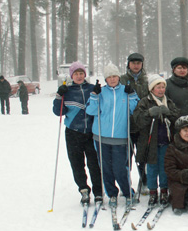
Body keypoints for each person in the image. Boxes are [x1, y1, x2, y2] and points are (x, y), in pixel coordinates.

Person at [86, 63, 139, 208]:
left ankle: (128, 192)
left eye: (115, 76)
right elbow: (90, 111)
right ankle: (112, 194)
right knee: (106, 168)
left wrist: (133, 94)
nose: (113, 79)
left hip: (120, 136)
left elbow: (134, 108)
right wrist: (95, 95)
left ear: (119, 77)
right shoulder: (101, 92)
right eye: (109, 77)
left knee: (120, 168)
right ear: (106, 79)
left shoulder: (125, 91)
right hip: (101, 136)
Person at [53, 61, 102, 205]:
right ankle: (84, 190)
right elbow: (58, 112)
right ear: (71, 75)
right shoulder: (67, 91)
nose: (79, 76)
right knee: (77, 163)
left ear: (85, 75)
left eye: (81, 73)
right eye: (76, 74)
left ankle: (98, 192)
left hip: (91, 132)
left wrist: (99, 92)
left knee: (94, 163)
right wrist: (58, 95)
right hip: (73, 132)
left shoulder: (92, 88)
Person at [133, 74, 179, 206]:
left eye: (163, 87)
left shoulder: (168, 102)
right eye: (158, 87)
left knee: (164, 167)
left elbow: (177, 118)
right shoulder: (144, 102)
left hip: (165, 140)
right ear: (152, 89)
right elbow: (138, 120)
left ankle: (164, 191)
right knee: (152, 168)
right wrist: (148, 113)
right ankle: (153, 192)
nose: (161, 90)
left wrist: (169, 113)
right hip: (150, 142)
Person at [120, 53, 149, 193]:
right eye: (133, 63)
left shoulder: (146, 80)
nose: (136, 65)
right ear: (128, 64)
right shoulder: (122, 79)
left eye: (138, 63)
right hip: (127, 124)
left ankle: (144, 180)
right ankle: (126, 183)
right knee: (126, 156)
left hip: (143, 123)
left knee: (142, 154)